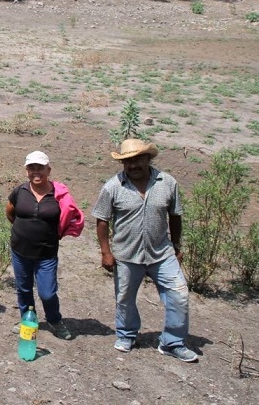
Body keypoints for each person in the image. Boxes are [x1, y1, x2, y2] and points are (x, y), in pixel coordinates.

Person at [92, 138, 198, 363]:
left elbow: (175, 216)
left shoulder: (167, 182)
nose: (133, 165)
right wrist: (105, 252)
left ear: (148, 158)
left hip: (162, 253)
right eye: (127, 161)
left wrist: (177, 247)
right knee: (125, 298)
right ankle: (126, 334)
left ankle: (173, 343)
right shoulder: (113, 186)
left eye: (138, 159)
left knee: (179, 295)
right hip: (126, 254)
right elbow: (102, 220)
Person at [5, 150, 83, 341]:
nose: (36, 172)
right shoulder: (20, 191)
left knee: (47, 293)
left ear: (48, 169)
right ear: (26, 171)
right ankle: (26, 319)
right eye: (31, 168)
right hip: (20, 251)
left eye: (40, 168)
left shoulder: (59, 195)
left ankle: (54, 320)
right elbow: (10, 212)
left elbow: (68, 216)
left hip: (46, 253)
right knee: (23, 289)